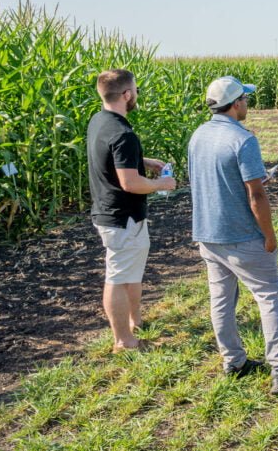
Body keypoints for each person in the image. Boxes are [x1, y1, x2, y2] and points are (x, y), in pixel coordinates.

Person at [189, 76, 278, 395]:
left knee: (221, 300)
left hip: (208, 234)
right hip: (242, 235)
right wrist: (269, 236)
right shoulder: (243, 139)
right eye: (245, 99)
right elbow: (256, 196)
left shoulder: (198, 135)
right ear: (236, 104)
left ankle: (233, 362)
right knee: (269, 296)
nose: (248, 104)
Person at [87, 69, 177, 353]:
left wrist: (144, 160)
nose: (136, 94)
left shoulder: (99, 121)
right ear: (126, 95)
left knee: (129, 272)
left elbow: (109, 157)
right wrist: (162, 183)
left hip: (114, 213)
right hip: (121, 217)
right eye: (135, 90)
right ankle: (124, 341)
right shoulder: (124, 133)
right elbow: (130, 183)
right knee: (117, 277)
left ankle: (134, 321)